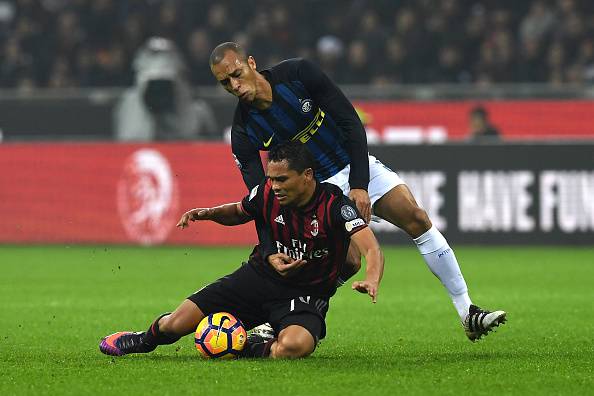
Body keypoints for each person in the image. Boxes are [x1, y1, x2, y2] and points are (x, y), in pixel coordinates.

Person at [210, 42, 506, 342]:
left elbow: (351, 122)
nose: (235, 85)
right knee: (349, 262)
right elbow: (263, 199)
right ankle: (282, 314)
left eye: (237, 74)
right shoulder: (244, 130)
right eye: (225, 83)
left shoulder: (298, 74)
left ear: (250, 62)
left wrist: (359, 185)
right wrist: (271, 248)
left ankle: (467, 312)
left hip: (353, 165)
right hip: (315, 191)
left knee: (416, 217)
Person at [99, 142, 384, 359]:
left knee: (295, 346)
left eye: (282, 179)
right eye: (271, 178)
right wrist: (208, 213)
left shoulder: (334, 206)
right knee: (177, 323)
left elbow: (371, 248)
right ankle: (142, 340)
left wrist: (372, 279)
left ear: (307, 175)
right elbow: (239, 211)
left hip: (304, 293)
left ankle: (246, 344)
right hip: (258, 278)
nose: (274, 186)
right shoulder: (266, 193)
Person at [114, 37, 218, 142]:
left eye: (165, 83)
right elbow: (124, 144)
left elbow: (208, 148)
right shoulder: (128, 103)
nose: (158, 91)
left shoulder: (197, 109)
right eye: (153, 84)